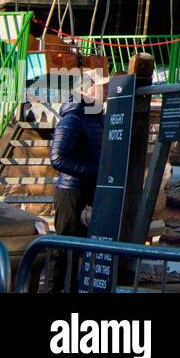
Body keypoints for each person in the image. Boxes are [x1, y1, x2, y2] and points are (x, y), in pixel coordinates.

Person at [47, 69, 105, 290]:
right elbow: (58, 158)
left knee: (79, 250)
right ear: (84, 89)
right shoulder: (71, 120)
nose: (104, 90)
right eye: (99, 85)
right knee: (63, 250)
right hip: (71, 192)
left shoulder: (97, 119)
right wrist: (95, 170)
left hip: (89, 190)